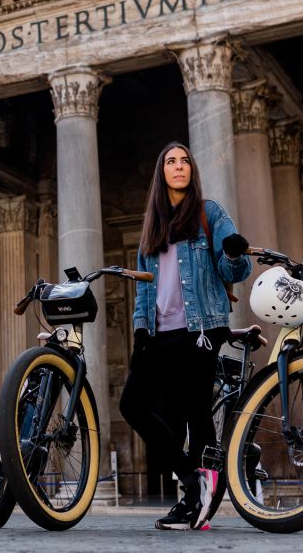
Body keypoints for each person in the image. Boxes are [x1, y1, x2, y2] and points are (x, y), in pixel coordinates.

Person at [119, 142, 251, 531]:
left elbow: (236, 269)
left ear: (192, 170)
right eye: (171, 162)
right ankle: (193, 482)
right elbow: (146, 286)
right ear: (162, 172)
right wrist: (141, 327)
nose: (179, 167)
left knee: (195, 414)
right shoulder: (153, 222)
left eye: (184, 162)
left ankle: (194, 503)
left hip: (201, 330)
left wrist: (232, 253)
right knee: (133, 405)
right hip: (160, 331)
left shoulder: (210, 212)